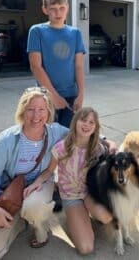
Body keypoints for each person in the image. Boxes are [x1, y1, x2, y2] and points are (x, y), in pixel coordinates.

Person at [0, 87, 116, 259]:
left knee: (34, 206)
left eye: (41, 109)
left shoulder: (55, 132)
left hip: (39, 189)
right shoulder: (7, 139)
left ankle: (37, 226)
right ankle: (19, 220)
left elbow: (80, 133)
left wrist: (107, 141)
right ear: (22, 111)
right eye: (31, 109)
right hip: (8, 195)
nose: (36, 115)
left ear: (48, 111)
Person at [51, 107, 113, 255]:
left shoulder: (97, 148)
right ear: (75, 122)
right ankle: (70, 217)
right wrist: (40, 185)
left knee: (106, 217)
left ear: (95, 127)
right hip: (71, 196)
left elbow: (109, 151)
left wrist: (113, 146)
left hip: (89, 193)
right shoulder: (62, 147)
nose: (87, 125)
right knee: (86, 248)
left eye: (92, 122)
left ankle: (89, 211)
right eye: (83, 120)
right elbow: (48, 171)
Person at [27, 0, 85, 128]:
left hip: (71, 96)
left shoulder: (75, 33)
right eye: (53, 9)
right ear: (45, 9)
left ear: (67, 8)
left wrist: (81, 94)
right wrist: (54, 96)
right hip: (45, 97)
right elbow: (36, 67)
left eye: (62, 8)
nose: (58, 13)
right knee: (45, 139)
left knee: (66, 141)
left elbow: (78, 66)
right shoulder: (37, 31)